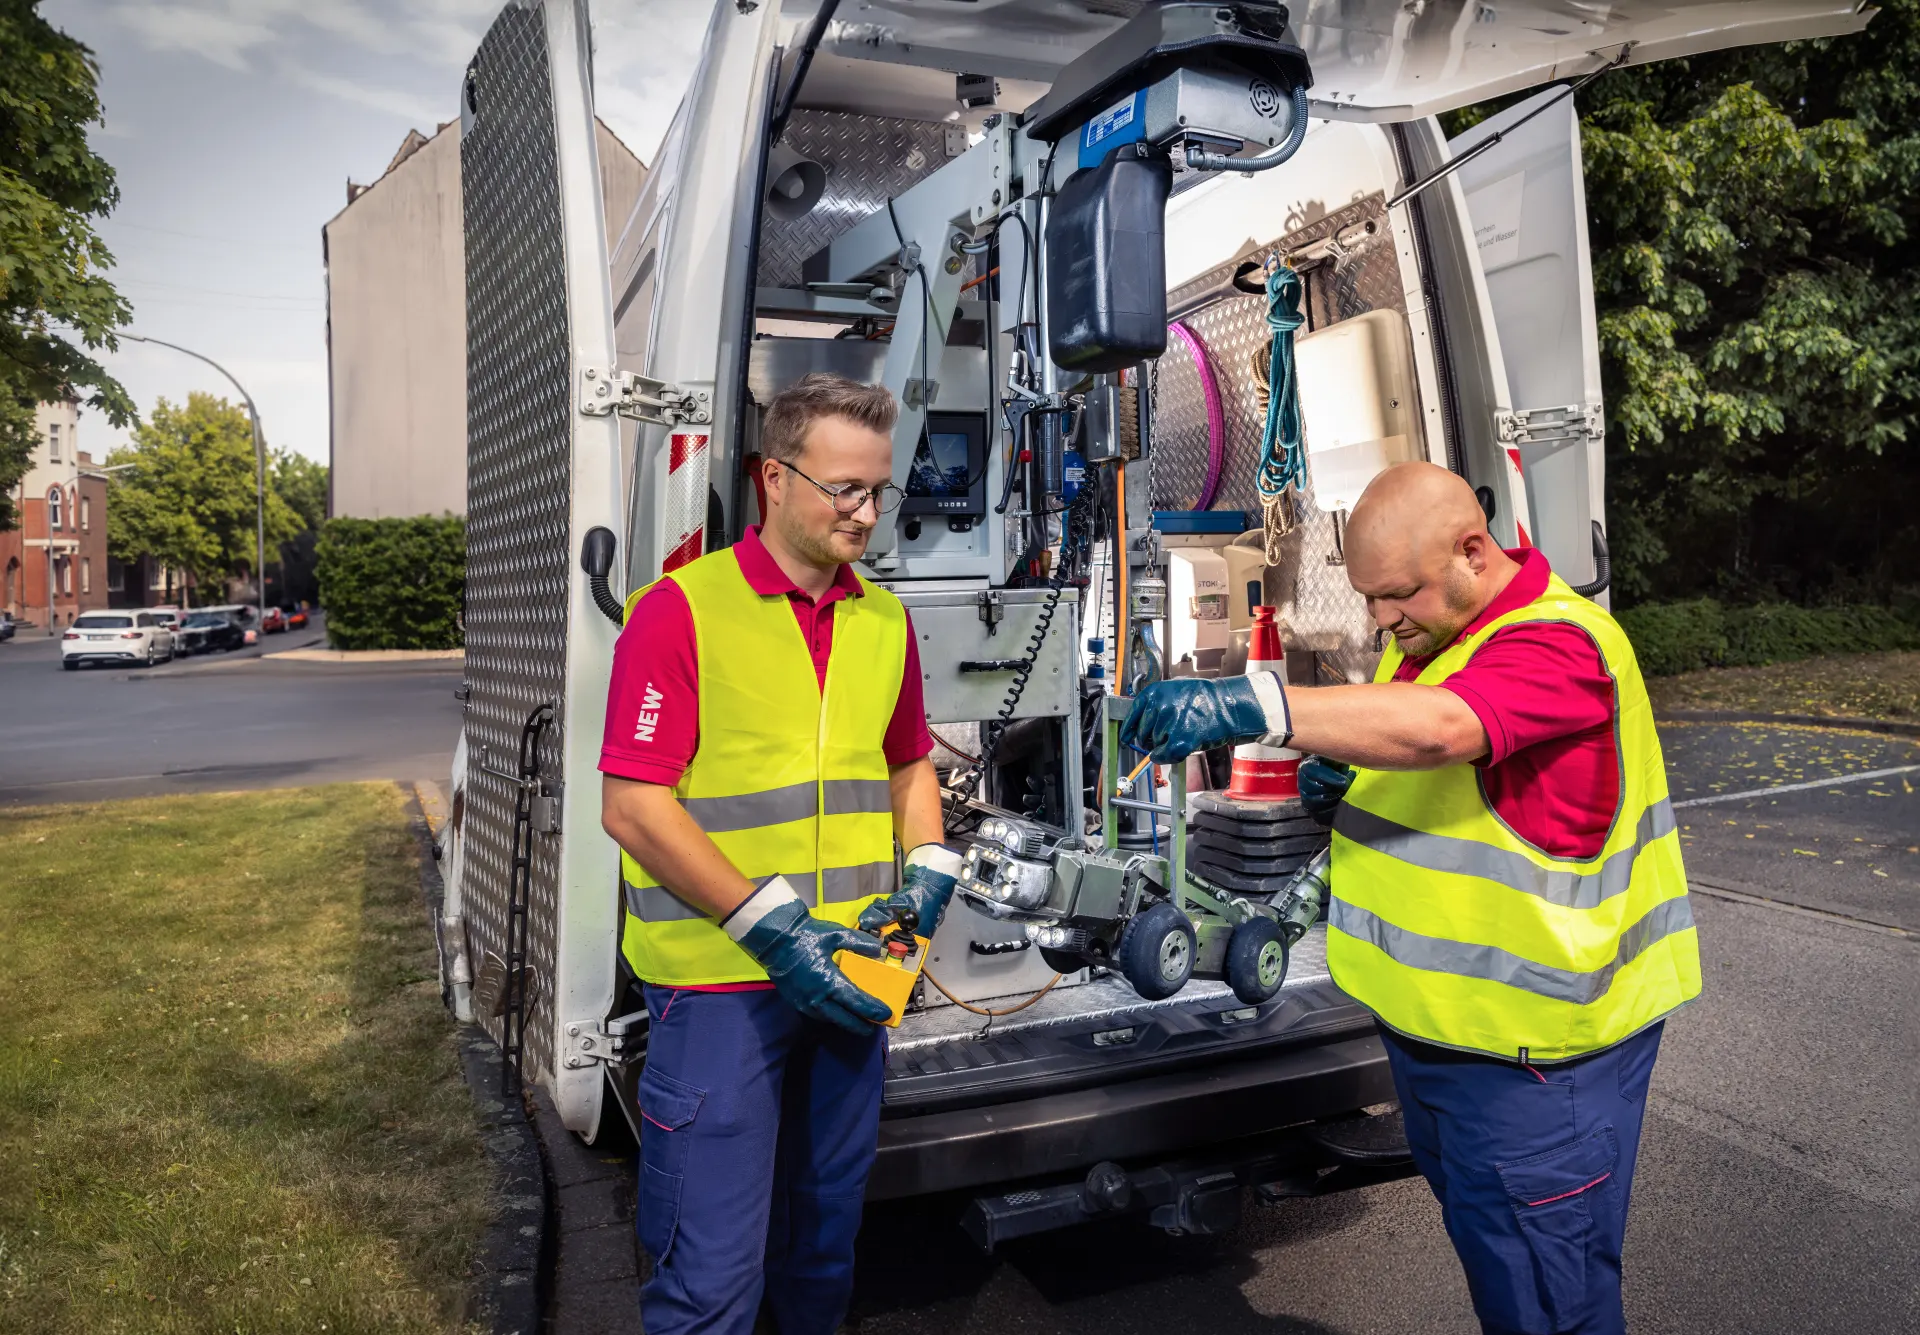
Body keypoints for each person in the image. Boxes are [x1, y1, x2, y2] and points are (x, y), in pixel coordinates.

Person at [1122, 461, 1699, 1335]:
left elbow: (1440, 729)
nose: (1384, 619)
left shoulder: (1562, 641)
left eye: (1397, 595)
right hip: (1444, 1043)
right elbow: (1429, 756)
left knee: (1550, 1303)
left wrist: (1252, 702)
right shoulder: (1438, 632)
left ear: (1474, 551)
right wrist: (1349, 783)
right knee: (1504, 1272)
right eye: (1370, 599)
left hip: (1536, 1060)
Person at [599, 373, 963, 1335]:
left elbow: (908, 762)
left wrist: (928, 874)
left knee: (821, 1257)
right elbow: (635, 806)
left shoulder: (882, 619)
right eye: (845, 487)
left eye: (880, 490)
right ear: (773, 477)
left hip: (849, 976)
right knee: (711, 1281)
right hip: (722, 990)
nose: (868, 511)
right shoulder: (678, 612)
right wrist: (772, 930)